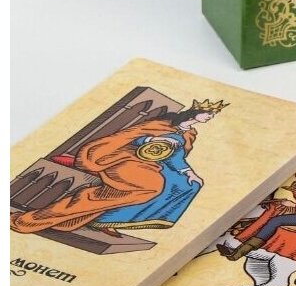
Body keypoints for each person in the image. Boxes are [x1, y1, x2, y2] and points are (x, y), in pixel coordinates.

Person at [10, 100, 225, 237]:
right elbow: (129, 138)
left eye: (212, 116)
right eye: (208, 114)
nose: (210, 118)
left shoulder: (190, 134)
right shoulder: (162, 124)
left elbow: (176, 158)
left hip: (151, 165)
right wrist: (149, 139)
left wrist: (189, 173)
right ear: (196, 112)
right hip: (122, 158)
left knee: (187, 186)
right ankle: (31, 220)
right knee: (150, 187)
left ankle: (105, 219)